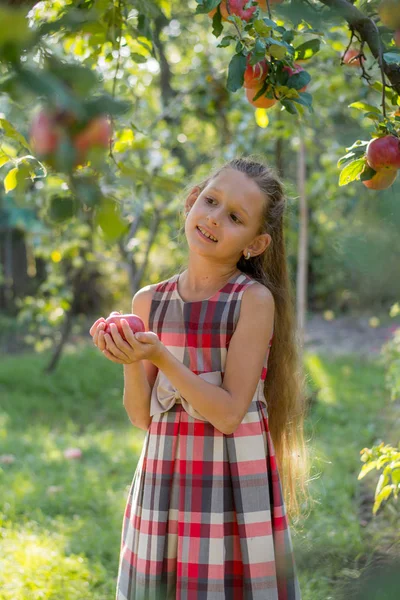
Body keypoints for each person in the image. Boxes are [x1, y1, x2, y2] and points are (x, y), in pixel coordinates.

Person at [90, 156, 309, 599]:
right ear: (192, 201)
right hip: (165, 475)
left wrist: (163, 358)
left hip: (228, 481)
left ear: (256, 243)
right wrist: (131, 357)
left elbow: (229, 414)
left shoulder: (252, 301)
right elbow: (140, 416)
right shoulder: (150, 300)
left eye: (234, 217)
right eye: (210, 201)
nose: (213, 218)